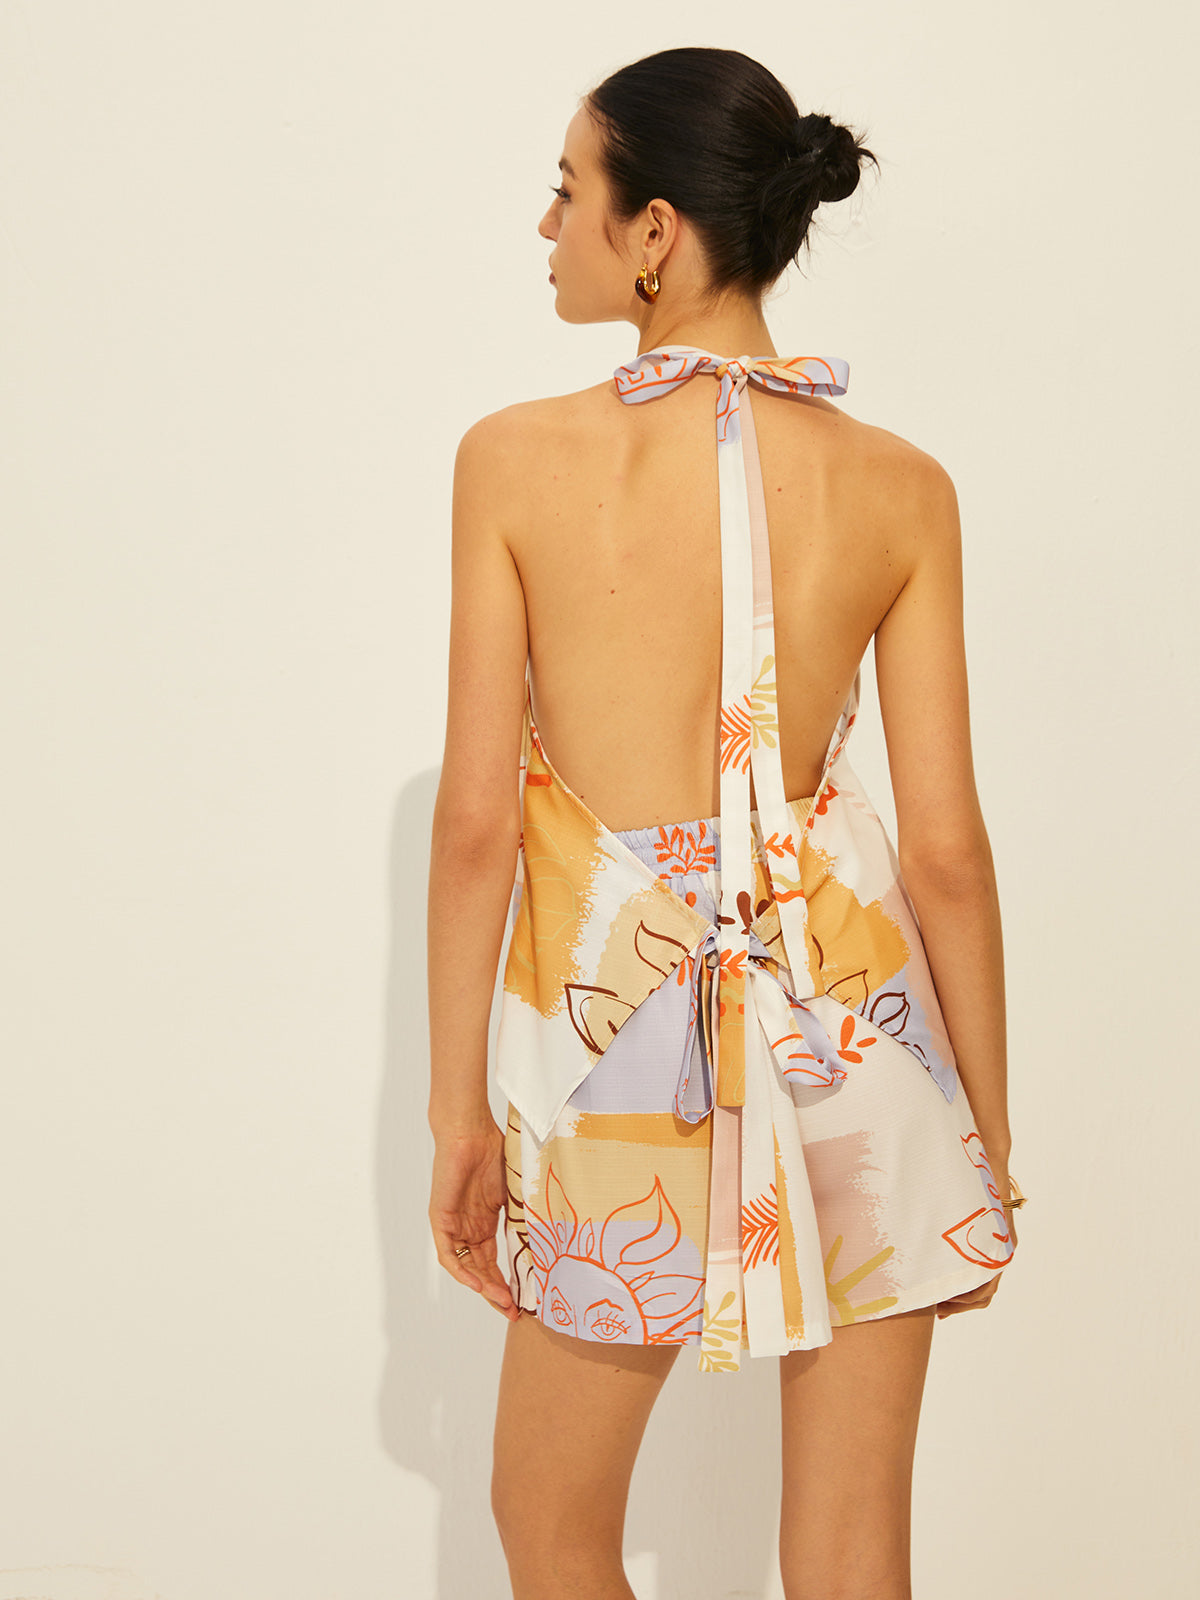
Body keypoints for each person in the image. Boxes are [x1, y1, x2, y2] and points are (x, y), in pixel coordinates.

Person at [426, 45, 1024, 1600]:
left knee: (548, 1524)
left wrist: (456, 1115)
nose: (545, 223)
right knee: (852, 1557)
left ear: (654, 230)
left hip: (628, 1048)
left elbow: (478, 825)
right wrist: (985, 1136)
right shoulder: (903, 484)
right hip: (862, 1024)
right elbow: (947, 849)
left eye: (568, 189)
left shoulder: (512, 461)